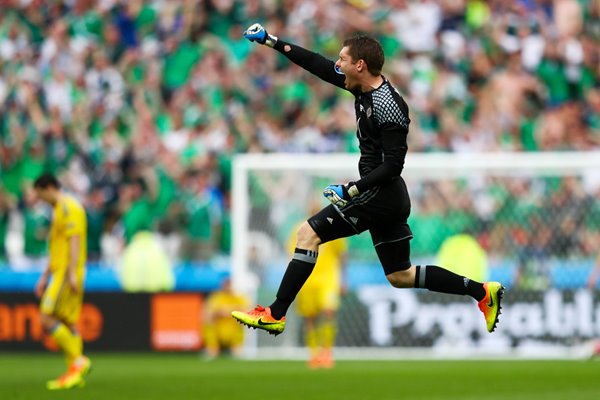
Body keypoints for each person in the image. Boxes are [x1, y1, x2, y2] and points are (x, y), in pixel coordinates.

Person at [232, 24, 504, 337]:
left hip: (380, 194)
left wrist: (351, 189)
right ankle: (482, 292)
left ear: (360, 65)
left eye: (343, 59)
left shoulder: (389, 106)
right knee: (400, 275)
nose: (337, 64)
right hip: (384, 196)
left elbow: (394, 165)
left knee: (307, 233)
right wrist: (272, 41)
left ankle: (274, 313)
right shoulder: (360, 85)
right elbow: (318, 64)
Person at [33, 173, 92, 390]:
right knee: (68, 322)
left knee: (46, 318)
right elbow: (57, 246)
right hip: (60, 272)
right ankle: (74, 374)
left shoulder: (69, 207)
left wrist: (72, 273)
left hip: (66, 273)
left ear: (48, 188)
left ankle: (78, 361)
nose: (41, 200)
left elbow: (74, 239)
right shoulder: (59, 209)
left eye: (40, 195)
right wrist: (44, 275)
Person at [289, 214, 347, 369]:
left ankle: (326, 352)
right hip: (307, 279)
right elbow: (293, 255)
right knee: (310, 317)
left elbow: (341, 255)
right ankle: (314, 354)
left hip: (328, 278)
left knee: (329, 311)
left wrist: (344, 280)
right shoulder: (299, 228)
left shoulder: (334, 224)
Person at [203, 277, 249, 360]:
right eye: (226, 285)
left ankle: (236, 348)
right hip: (218, 329)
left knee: (242, 323)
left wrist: (230, 312)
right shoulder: (216, 297)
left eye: (229, 284)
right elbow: (208, 314)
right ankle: (213, 348)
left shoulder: (239, 298)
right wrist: (218, 313)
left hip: (233, 329)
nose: (228, 287)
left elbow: (247, 313)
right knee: (208, 324)